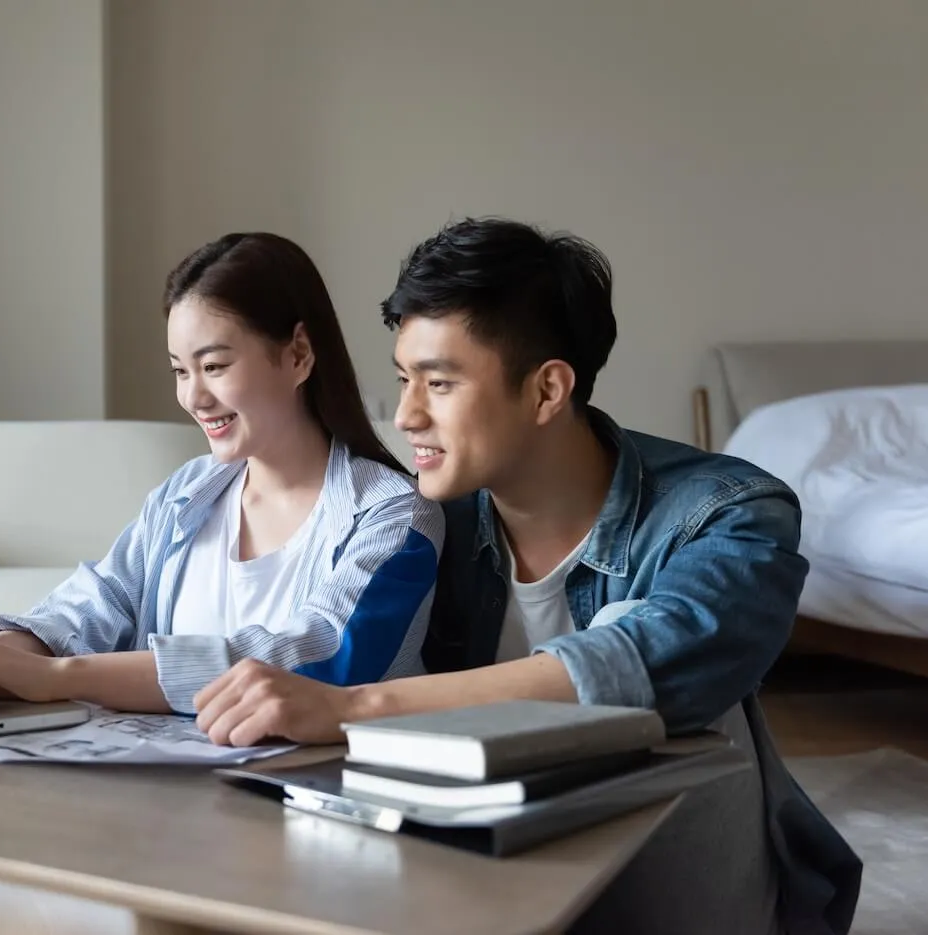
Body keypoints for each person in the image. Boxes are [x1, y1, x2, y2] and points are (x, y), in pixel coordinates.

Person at [192, 218, 861, 935]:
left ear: (546, 391)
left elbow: (660, 659)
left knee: (666, 692)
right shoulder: (423, 520)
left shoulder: (729, 513)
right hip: (489, 878)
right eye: (402, 380)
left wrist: (356, 705)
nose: (408, 414)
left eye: (440, 383)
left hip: (683, 892)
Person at [0, 231, 443, 718]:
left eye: (214, 366)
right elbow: (98, 602)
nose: (194, 397)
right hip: (167, 804)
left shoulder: (395, 516)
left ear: (297, 354)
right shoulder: (186, 494)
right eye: (180, 370)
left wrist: (59, 678)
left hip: (304, 807)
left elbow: (319, 654)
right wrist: (2, 650)